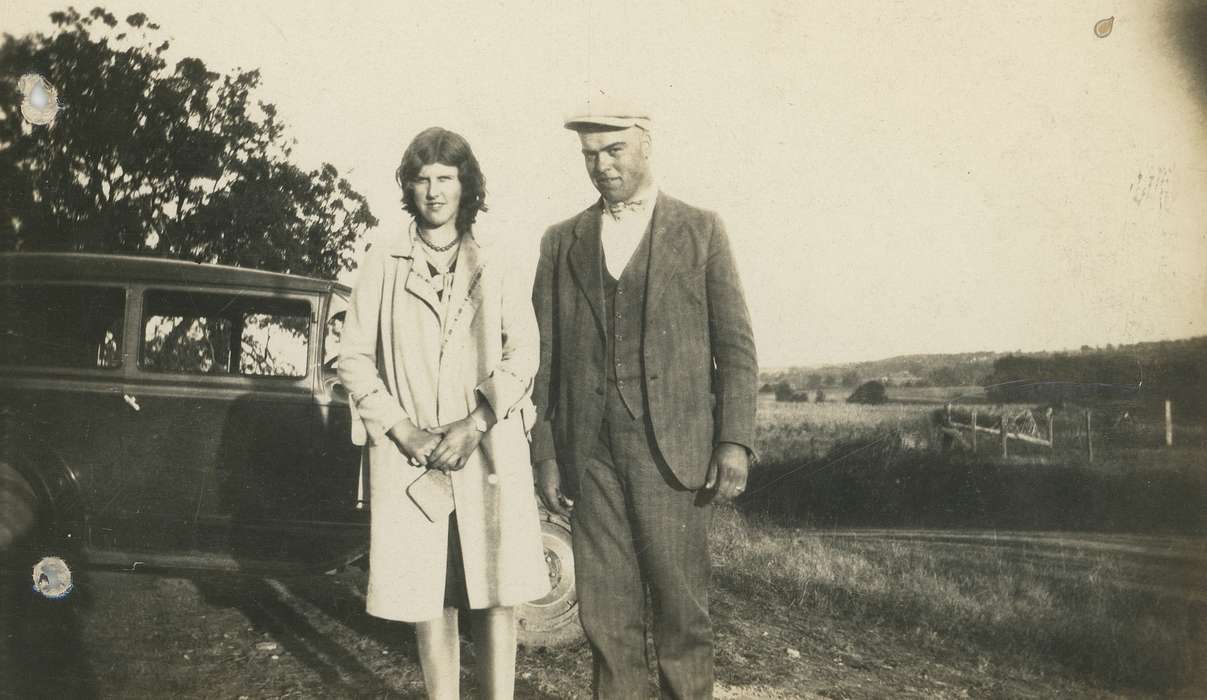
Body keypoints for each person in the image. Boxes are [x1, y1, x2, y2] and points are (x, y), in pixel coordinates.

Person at [531, 103, 759, 698]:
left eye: (614, 151)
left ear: (646, 145)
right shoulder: (561, 241)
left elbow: (735, 345)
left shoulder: (701, 229)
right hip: (590, 453)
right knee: (606, 615)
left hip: (675, 451)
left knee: (682, 612)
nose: (601, 166)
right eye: (589, 155)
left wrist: (733, 441)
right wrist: (547, 454)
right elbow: (545, 360)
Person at [338, 126, 548, 700]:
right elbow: (352, 356)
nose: (434, 191)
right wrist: (400, 427)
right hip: (414, 456)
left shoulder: (497, 258)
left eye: (446, 179)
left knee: (496, 589)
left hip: (487, 451)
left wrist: (476, 421)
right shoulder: (384, 258)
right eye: (422, 178)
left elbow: (523, 351)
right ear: (408, 186)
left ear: (466, 186)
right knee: (431, 594)